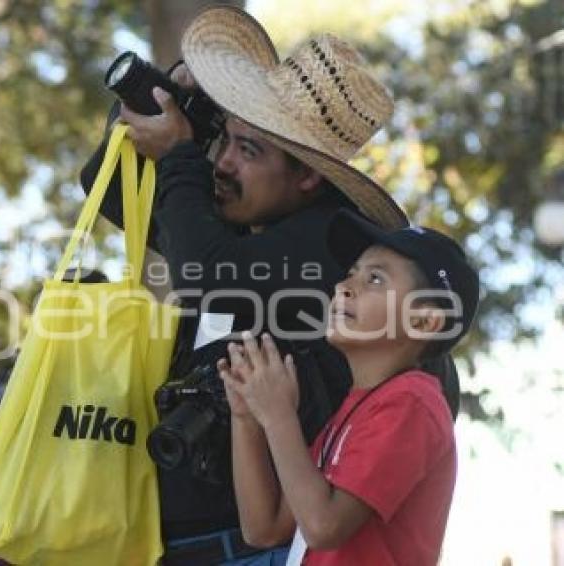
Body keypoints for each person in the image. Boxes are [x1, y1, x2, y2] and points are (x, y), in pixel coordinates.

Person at [80, 6, 411, 564]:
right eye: (224, 141)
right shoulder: (241, 231)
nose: (223, 164)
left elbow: (211, 279)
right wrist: (171, 102)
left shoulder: (332, 242)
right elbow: (107, 190)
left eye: (249, 150)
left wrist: (183, 155)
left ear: (308, 176)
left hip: (250, 549)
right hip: (174, 542)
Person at [218, 209, 479, 564]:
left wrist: (279, 416)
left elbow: (324, 527)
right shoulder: (358, 406)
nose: (344, 286)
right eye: (350, 274)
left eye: (374, 280)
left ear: (424, 320)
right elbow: (264, 529)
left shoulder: (412, 402)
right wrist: (248, 416)